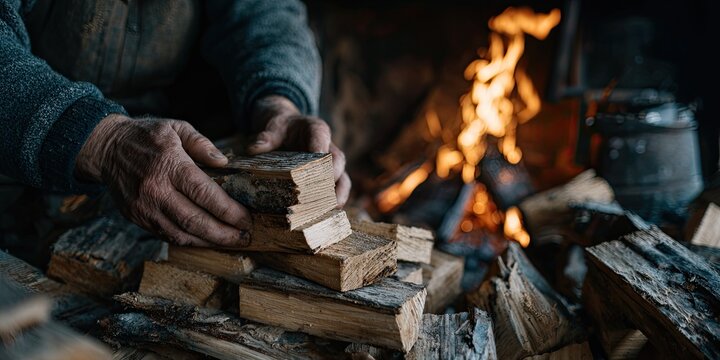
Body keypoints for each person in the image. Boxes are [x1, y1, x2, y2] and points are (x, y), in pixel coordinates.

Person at [0, 0, 350, 249]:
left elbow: (265, 12)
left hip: (169, 183)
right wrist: (101, 141)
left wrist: (277, 98)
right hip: (14, 187)